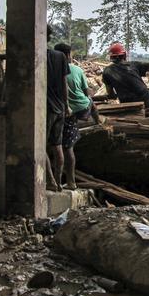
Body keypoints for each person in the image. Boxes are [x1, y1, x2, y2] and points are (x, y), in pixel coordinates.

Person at [54, 42, 100, 190]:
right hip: (81, 108)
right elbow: (86, 93)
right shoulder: (77, 70)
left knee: (58, 146)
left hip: (62, 111)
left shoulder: (51, 70)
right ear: (68, 55)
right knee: (68, 148)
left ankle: (56, 181)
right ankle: (98, 121)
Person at [45, 26, 70, 192]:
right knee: (57, 145)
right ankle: (59, 182)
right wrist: (66, 105)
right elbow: (64, 84)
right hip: (60, 107)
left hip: (45, 108)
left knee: (40, 146)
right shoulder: (60, 56)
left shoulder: (36, 55)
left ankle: (51, 181)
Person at [101, 42, 149, 109]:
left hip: (128, 105)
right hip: (147, 99)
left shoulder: (107, 71)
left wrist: (113, 95)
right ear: (124, 55)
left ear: (111, 57)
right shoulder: (133, 65)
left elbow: (110, 94)